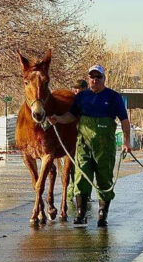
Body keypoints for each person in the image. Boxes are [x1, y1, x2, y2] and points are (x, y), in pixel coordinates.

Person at [50, 65, 130, 227]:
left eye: (98, 77)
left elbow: (124, 120)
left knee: (104, 179)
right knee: (81, 178)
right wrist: (58, 118)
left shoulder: (114, 97)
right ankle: (80, 213)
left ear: (103, 79)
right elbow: (71, 115)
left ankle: (102, 214)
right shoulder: (81, 97)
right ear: (88, 79)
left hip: (105, 147)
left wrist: (126, 142)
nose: (94, 80)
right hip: (83, 146)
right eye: (92, 77)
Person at [65, 79, 90, 211]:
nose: (75, 91)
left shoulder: (88, 102)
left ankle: (84, 192)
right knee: (71, 166)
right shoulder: (71, 103)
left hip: (85, 138)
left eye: (78, 89)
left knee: (84, 166)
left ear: (84, 89)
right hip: (72, 139)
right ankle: (72, 189)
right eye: (74, 89)